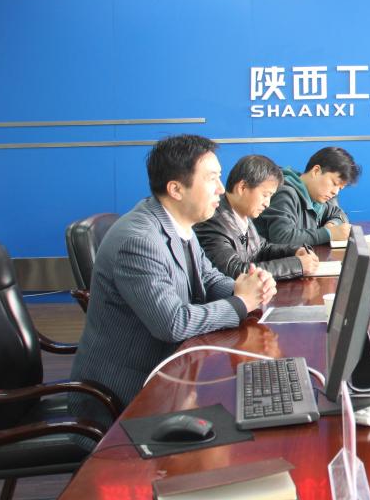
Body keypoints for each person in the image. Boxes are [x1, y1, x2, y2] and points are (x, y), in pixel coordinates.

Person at [70, 135, 276, 418]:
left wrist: (248, 288)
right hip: (127, 394)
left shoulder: (179, 224)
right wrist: (241, 303)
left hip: (173, 370)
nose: (220, 188)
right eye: (212, 179)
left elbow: (209, 278)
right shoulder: (139, 240)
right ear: (176, 189)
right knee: (243, 419)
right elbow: (173, 323)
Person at [195, 154, 321, 281]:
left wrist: (295, 251)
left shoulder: (242, 213)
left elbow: (261, 248)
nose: (267, 203)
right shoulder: (212, 221)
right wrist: (297, 265)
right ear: (242, 187)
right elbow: (235, 271)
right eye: (265, 195)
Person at [254, 146, 359, 246]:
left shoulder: (316, 198)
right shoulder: (285, 193)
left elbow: (339, 214)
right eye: (334, 183)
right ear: (316, 171)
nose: (335, 192)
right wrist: (328, 233)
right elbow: (282, 237)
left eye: (340, 188)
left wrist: (332, 224)